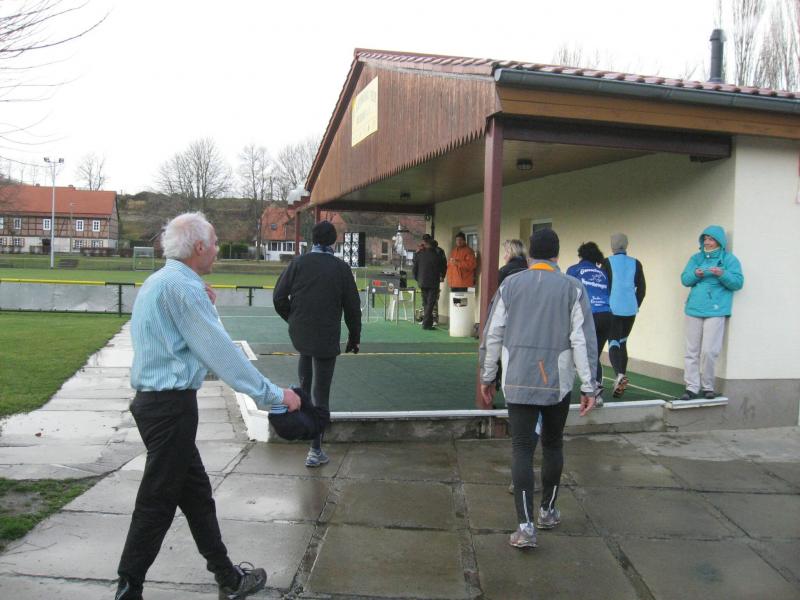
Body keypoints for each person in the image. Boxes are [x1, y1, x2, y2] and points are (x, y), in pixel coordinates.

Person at [116, 212, 301, 600]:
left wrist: (204, 303)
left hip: (159, 407)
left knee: (197, 496)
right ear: (199, 247)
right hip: (170, 410)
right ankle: (128, 588)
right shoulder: (183, 290)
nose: (217, 249)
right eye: (214, 243)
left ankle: (228, 578)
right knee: (157, 502)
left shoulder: (161, 282)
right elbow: (222, 355)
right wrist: (275, 396)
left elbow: (179, 340)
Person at [479, 228, 597, 549]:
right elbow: (582, 340)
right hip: (557, 382)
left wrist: (488, 377)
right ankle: (547, 511)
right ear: (557, 255)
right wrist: (589, 387)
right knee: (553, 444)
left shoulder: (510, 285)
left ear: (530, 255)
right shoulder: (573, 288)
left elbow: (492, 334)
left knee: (521, 448)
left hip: (517, 378)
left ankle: (525, 527)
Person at [273, 220, 361, 468]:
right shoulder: (341, 268)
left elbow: (279, 297)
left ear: (313, 239)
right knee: (321, 395)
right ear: (334, 241)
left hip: (302, 335)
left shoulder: (298, 263)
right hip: (326, 336)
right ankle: (315, 449)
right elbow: (352, 307)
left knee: (305, 386)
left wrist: (293, 318)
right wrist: (354, 337)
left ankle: (302, 434)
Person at [679, 225, 744, 400]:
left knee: (709, 351)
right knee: (691, 351)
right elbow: (685, 279)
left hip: (716, 310)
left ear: (720, 241)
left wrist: (722, 274)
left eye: (711, 239)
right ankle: (691, 387)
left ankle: (708, 386)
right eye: (705, 239)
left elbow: (738, 283)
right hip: (693, 309)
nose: (707, 242)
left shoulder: (729, 260)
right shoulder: (696, 258)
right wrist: (695, 274)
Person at [567, 241, 611, 406]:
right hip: (606, 315)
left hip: (588, 314)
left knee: (581, 352)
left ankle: (585, 389)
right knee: (594, 354)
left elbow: (569, 293)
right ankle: (596, 391)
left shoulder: (574, 270)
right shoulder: (602, 273)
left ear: (581, 255)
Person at [602, 233, 645, 398]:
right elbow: (642, 289)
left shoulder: (606, 262)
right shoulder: (636, 263)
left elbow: (602, 285)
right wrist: (635, 304)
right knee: (623, 342)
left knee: (613, 342)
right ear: (626, 245)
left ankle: (619, 375)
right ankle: (621, 377)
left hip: (613, 308)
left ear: (612, 246)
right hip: (630, 309)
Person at [413, 237, 445, 330]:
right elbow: (443, 267)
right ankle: (426, 323)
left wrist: (417, 279)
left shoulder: (420, 254)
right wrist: (442, 276)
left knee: (425, 302)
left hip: (422, 281)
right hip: (433, 282)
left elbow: (414, 268)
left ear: (427, 245)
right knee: (430, 303)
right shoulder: (437, 256)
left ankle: (428, 323)